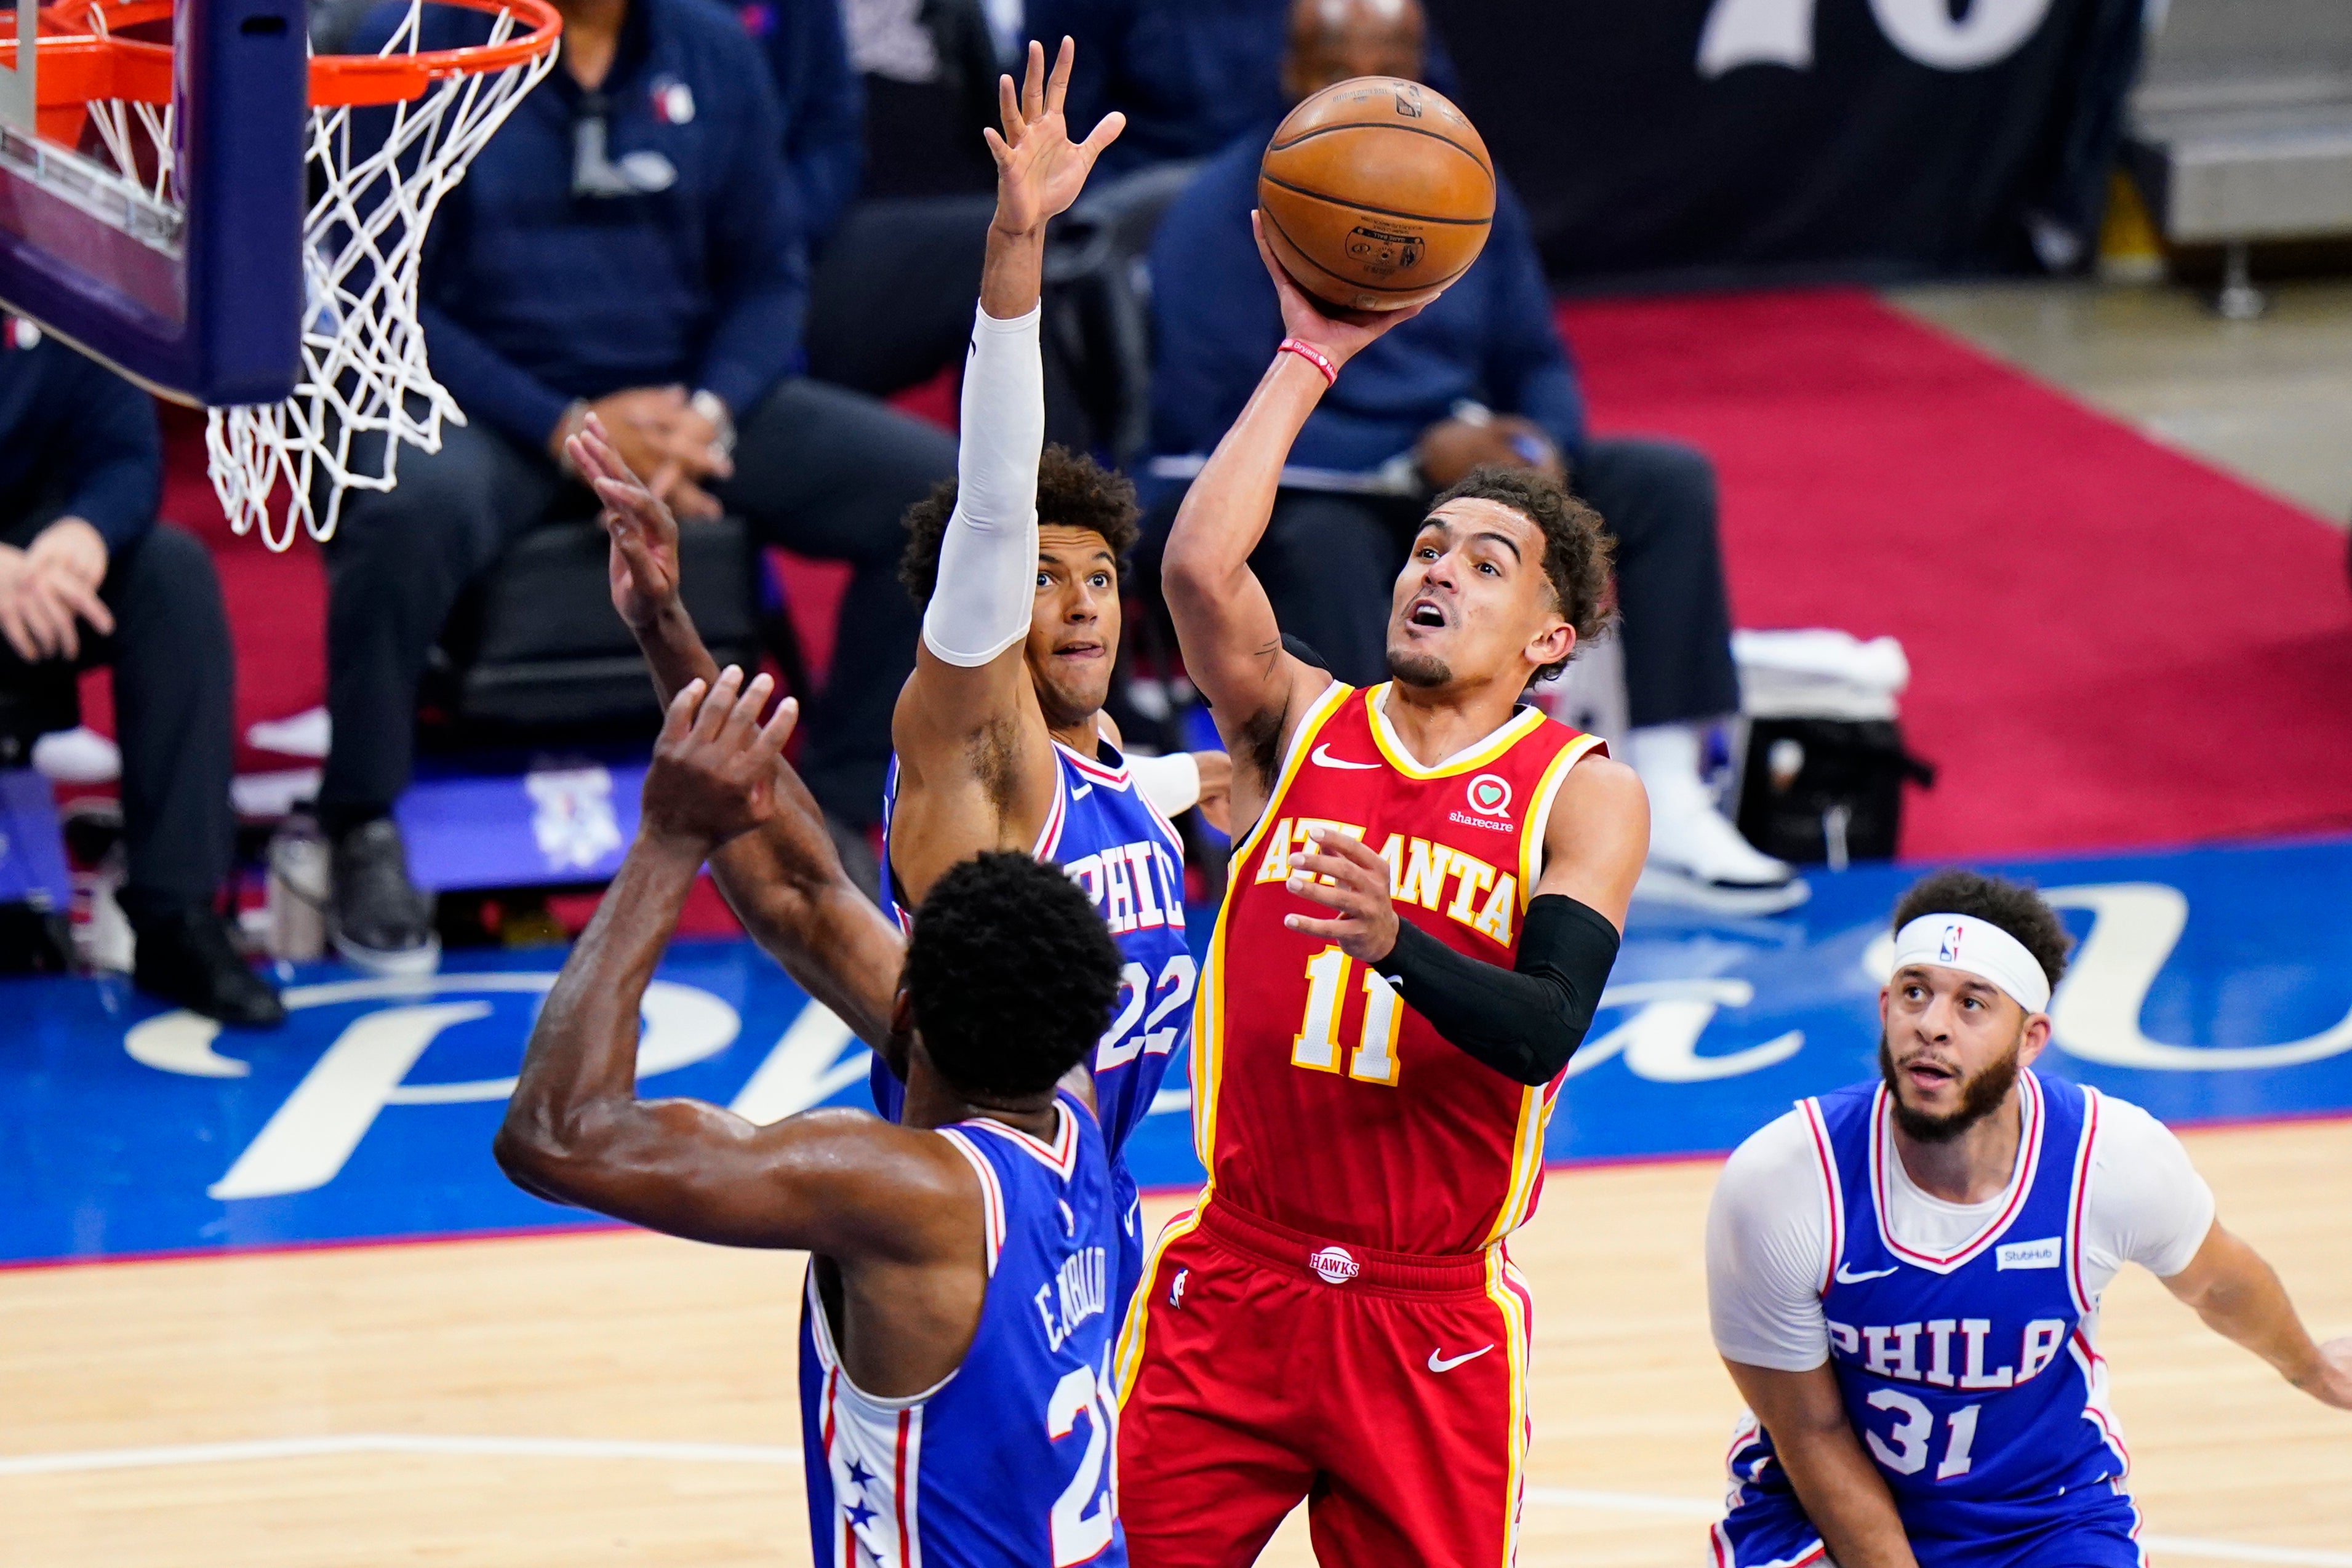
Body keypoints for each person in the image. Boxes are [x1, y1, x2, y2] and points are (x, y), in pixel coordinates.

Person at [594, 38, 1227, 1327]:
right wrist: (1016, 253)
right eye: (1042, 580)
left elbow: (799, 884)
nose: (1081, 601)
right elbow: (995, 499)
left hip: (1098, 1217)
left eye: (1100, 575)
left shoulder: (1134, 781)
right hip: (961, 1222)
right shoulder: (978, 755)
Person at [1111, 224, 1648, 1566]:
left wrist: (1398, 941)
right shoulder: (1300, 725)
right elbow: (1195, 573)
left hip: (1431, 1319)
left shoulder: (1581, 792)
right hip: (1234, 1276)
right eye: (1426, 544)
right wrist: (1311, 354)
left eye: (1483, 561)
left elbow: (1545, 1028)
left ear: (1548, 637)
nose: (1435, 570)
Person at [319, 0, 957, 972]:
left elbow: (768, 276)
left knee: (933, 500)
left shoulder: (714, 51)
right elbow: (384, 291)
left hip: (676, 410)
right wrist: (564, 422)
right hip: (492, 412)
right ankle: (360, 819)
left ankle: (833, 804)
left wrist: (706, 414)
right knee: (409, 508)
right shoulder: (414, 47)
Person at [1143, 0, 1801, 914]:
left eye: (1396, 52)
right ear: (1296, 74)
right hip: (1324, 478)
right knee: (1322, 545)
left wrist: (1539, 450)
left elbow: (1534, 355)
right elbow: (1206, 418)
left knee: (1661, 484)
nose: (1375, 72)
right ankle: (1368, 820)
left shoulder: (1463, 192)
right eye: (1343, 56)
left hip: (1466, 471)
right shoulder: (1232, 211)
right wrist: (1416, 454)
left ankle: (1673, 791)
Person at [494, 666, 1129, 1565]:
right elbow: (809, 904)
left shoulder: (899, 1196)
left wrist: (670, 838)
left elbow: (555, 1135)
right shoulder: (1075, 1112)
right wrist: (669, 640)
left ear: (904, 1010)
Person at [1706, 870, 2352, 1568]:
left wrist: (2313, 1368)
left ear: (2031, 1038)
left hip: (2044, 1513)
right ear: (1886, 1005)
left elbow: (2219, 1284)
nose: (1933, 1024)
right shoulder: (1782, 1178)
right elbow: (1812, 1429)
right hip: (1818, 1511)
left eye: (1973, 1004)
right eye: (1916, 993)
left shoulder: (2112, 1160)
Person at [0, 322, 283, 1026]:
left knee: (168, 572)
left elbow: (126, 456)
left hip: (35, 567)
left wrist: (83, 533)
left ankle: (176, 917)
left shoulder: (57, 276)